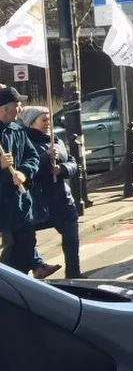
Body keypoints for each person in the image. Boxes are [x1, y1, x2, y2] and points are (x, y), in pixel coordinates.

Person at [18, 106, 80, 279]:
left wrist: (62, 168)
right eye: (43, 120)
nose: (48, 124)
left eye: (49, 120)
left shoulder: (56, 139)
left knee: (71, 233)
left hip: (61, 198)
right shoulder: (24, 142)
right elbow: (28, 168)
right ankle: (35, 266)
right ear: (32, 123)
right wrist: (46, 157)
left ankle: (74, 273)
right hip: (38, 200)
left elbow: (73, 162)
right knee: (24, 237)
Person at [0, 87, 39, 274]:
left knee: (26, 248)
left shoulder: (18, 130)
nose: (20, 109)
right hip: (2, 208)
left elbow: (32, 157)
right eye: (17, 105)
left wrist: (24, 172)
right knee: (9, 252)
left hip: (20, 205)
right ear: (5, 108)